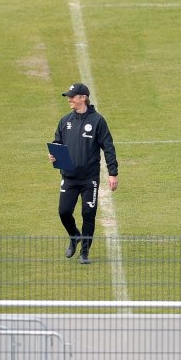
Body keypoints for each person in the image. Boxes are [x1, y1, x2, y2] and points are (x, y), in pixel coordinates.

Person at [48, 83, 118, 264]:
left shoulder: (97, 121)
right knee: (63, 212)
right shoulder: (65, 121)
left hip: (89, 179)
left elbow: (108, 147)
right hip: (69, 177)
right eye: (69, 96)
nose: (70, 99)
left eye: (73, 96)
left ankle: (84, 252)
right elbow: (58, 142)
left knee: (88, 214)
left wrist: (113, 173)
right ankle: (74, 236)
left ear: (83, 98)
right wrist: (53, 155)